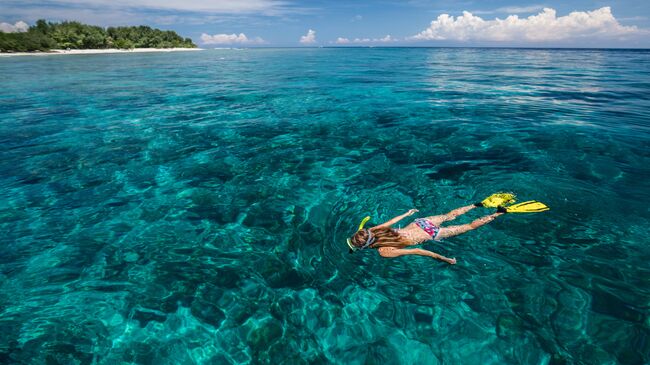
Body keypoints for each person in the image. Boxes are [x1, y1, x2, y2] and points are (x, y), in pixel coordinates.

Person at [346, 193, 549, 264]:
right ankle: (479, 204)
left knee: (469, 226)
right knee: (451, 214)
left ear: (365, 247)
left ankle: (501, 212)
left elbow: (418, 250)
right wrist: (408, 214)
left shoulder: (384, 251)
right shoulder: (377, 230)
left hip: (431, 234)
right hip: (421, 222)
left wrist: (444, 259)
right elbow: (391, 221)